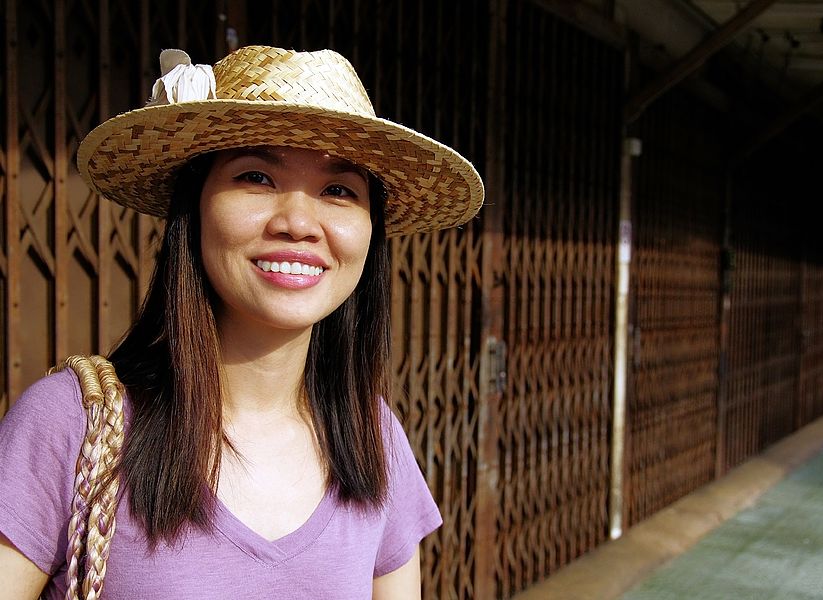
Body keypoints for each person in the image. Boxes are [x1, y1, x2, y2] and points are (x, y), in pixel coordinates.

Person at [0, 45, 483, 599]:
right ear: (195, 205)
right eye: (256, 176)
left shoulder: (373, 438)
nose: (299, 222)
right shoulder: (70, 425)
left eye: (338, 190)